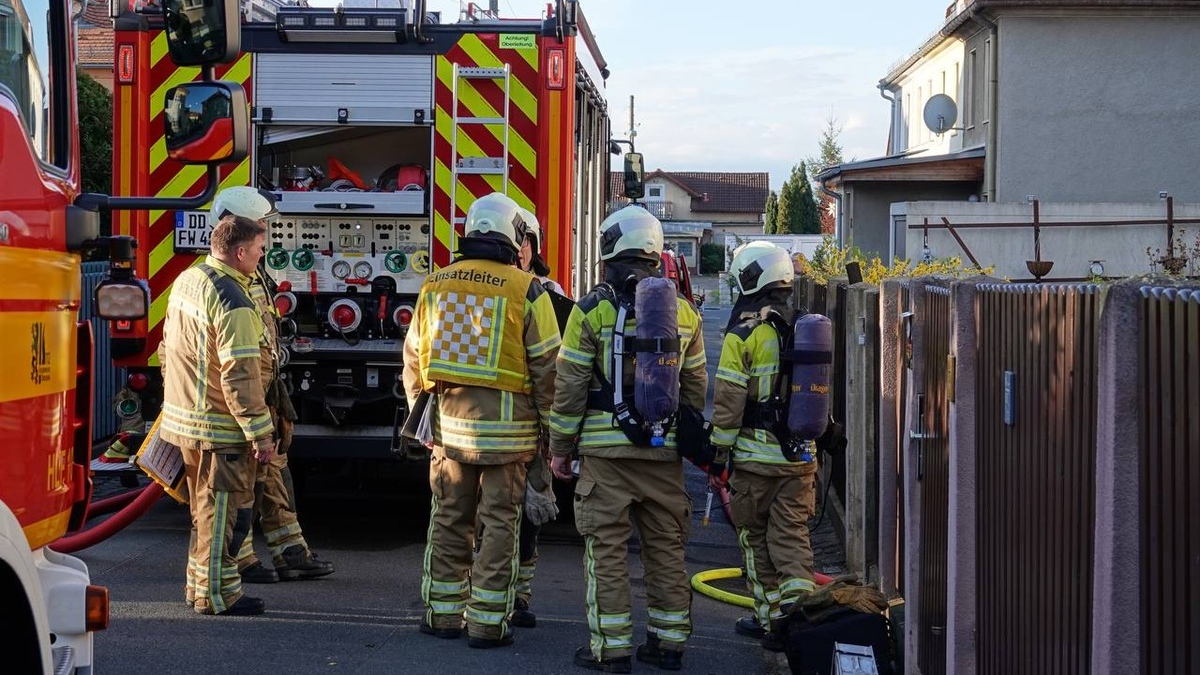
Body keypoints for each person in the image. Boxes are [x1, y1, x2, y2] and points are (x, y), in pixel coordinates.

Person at [548, 206, 708, 672]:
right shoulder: (684, 312)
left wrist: (560, 449)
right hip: (664, 455)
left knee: (607, 552)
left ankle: (612, 649)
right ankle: (670, 644)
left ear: (610, 249)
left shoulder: (593, 307)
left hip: (605, 457)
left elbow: (571, 383)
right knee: (665, 550)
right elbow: (695, 389)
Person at [402, 192, 561, 649]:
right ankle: (488, 623)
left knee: (449, 518)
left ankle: (442, 616)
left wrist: (425, 421)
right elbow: (548, 368)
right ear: (515, 237)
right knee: (499, 528)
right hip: (509, 440)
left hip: (449, 434)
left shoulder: (435, 285)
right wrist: (553, 434)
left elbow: (413, 360)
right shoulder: (527, 289)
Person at [207, 186, 335, 585]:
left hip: (262, 390)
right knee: (244, 486)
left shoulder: (250, 274)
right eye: (260, 227)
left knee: (272, 471)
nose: (266, 235)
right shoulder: (223, 283)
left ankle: (289, 552)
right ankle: (241, 562)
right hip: (238, 400)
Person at [159, 214, 274, 616]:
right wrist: (260, 435)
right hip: (219, 428)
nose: (263, 256)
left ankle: (198, 587)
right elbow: (240, 376)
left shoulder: (190, 280)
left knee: (202, 512)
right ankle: (217, 596)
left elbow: (166, 348)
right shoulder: (236, 301)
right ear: (240, 252)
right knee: (222, 518)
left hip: (186, 421)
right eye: (260, 249)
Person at [708, 241, 815, 651]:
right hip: (800, 460)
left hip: (755, 463)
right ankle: (801, 624)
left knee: (755, 541)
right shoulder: (806, 328)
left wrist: (718, 451)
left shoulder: (743, 336)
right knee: (791, 540)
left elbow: (729, 403)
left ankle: (771, 621)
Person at [505, 206, 568, 629]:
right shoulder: (531, 292)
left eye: (526, 242)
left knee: (523, 515)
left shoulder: (544, 292)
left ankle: (515, 595)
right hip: (513, 428)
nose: (521, 249)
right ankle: (501, 596)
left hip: (512, 428)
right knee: (504, 516)